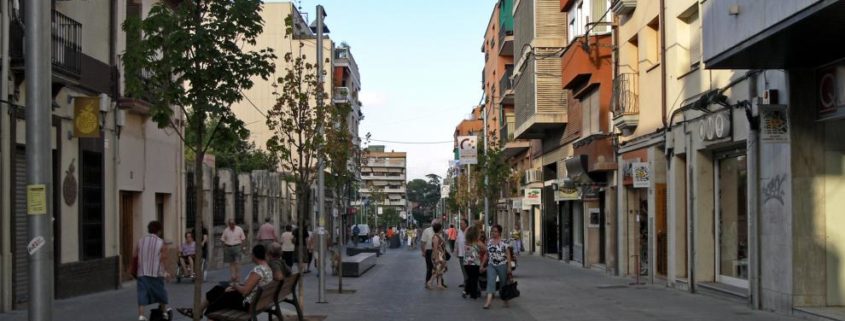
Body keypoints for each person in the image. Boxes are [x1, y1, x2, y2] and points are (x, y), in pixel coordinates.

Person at [176, 245, 273, 320]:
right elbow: (250, 288)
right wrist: (234, 287)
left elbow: (245, 291)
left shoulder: (258, 271)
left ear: (254, 255)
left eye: (252, 254)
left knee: (215, 306)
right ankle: (197, 311)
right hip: (257, 301)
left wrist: (234, 285)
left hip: (247, 304)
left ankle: (200, 312)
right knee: (218, 289)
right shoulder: (267, 268)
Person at [134, 221, 170, 321]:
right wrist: (166, 273)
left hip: (142, 272)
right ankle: (164, 313)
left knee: (142, 294)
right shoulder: (160, 242)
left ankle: (141, 316)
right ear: (158, 231)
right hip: (156, 273)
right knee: (161, 293)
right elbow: (163, 259)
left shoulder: (140, 241)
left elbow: (135, 255)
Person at [483, 224, 513, 309]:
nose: (493, 233)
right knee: (490, 282)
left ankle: (505, 300)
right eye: (492, 231)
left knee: (503, 284)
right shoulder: (489, 242)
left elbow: (508, 254)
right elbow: (486, 254)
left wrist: (509, 267)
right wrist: (482, 265)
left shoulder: (504, 242)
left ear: (499, 232)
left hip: (502, 265)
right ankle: (488, 302)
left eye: (495, 231)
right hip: (491, 265)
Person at [462, 223, 483, 299]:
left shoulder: (466, 242)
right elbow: (486, 249)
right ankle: (473, 294)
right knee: (474, 279)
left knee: (470, 278)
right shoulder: (478, 243)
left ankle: (466, 291)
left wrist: (470, 228)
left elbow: (466, 232)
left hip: (466, 263)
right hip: (475, 263)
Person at [427, 222, 447, 289]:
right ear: (439, 229)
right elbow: (435, 248)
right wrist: (436, 258)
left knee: (441, 269)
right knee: (437, 270)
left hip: (440, 254)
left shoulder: (438, 236)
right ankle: (430, 282)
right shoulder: (435, 237)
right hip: (438, 255)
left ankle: (439, 284)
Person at [420, 220, 436, 288]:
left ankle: (440, 282)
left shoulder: (438, 231)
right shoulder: (427, 230)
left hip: (437, 251)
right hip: (429, 251)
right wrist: (423, 251)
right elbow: (423, 242)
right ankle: (428, 282)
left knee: (439, 267)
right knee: (430, 267)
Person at [456, 219, 468, 289]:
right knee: (463, 269)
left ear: (466, 224)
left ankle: (467, 282)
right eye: (460, 224)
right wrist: (457, 250)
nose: (460, 225)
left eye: (462, 224)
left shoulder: (469, 231)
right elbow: (457, 242)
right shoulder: (459, 232)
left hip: (468, 254)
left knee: (467, 269)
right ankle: (465, 281)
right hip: (461, 253)